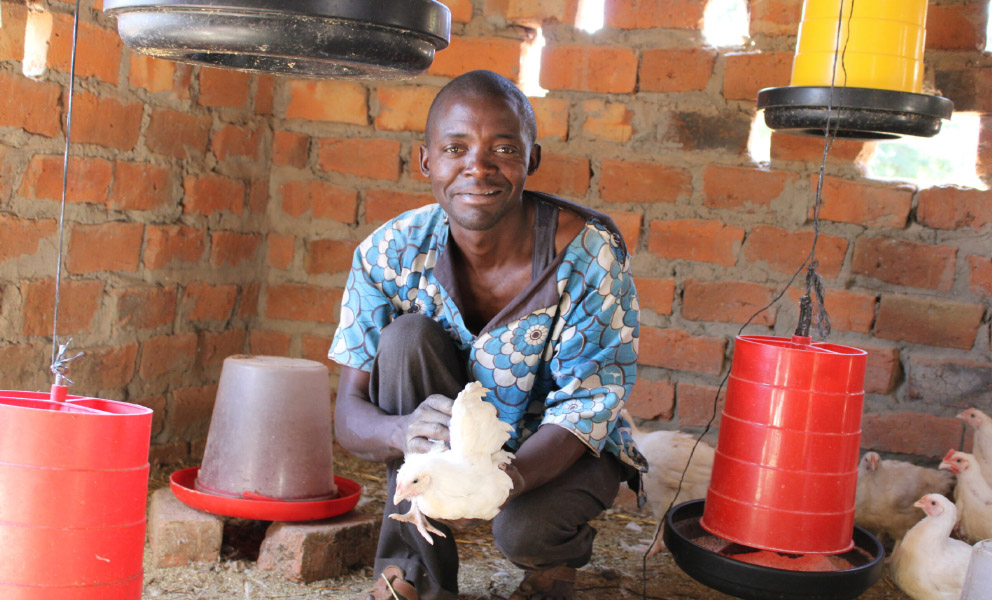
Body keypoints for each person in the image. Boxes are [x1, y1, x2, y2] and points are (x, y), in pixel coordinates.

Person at [329, 69, 645, 600]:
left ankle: (554, 563)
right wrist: (403, 431)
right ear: (426, 159)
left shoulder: (587, 257)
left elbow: (582, 414)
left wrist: (497, 484)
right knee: (406, 338)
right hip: (449, 448)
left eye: (503, 148)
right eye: (455, 148)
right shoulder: (390, 253)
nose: (477, 167)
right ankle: (415, 570)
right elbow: (349, 415)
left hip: (559, 450)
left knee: (523, 531)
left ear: (532, 159)